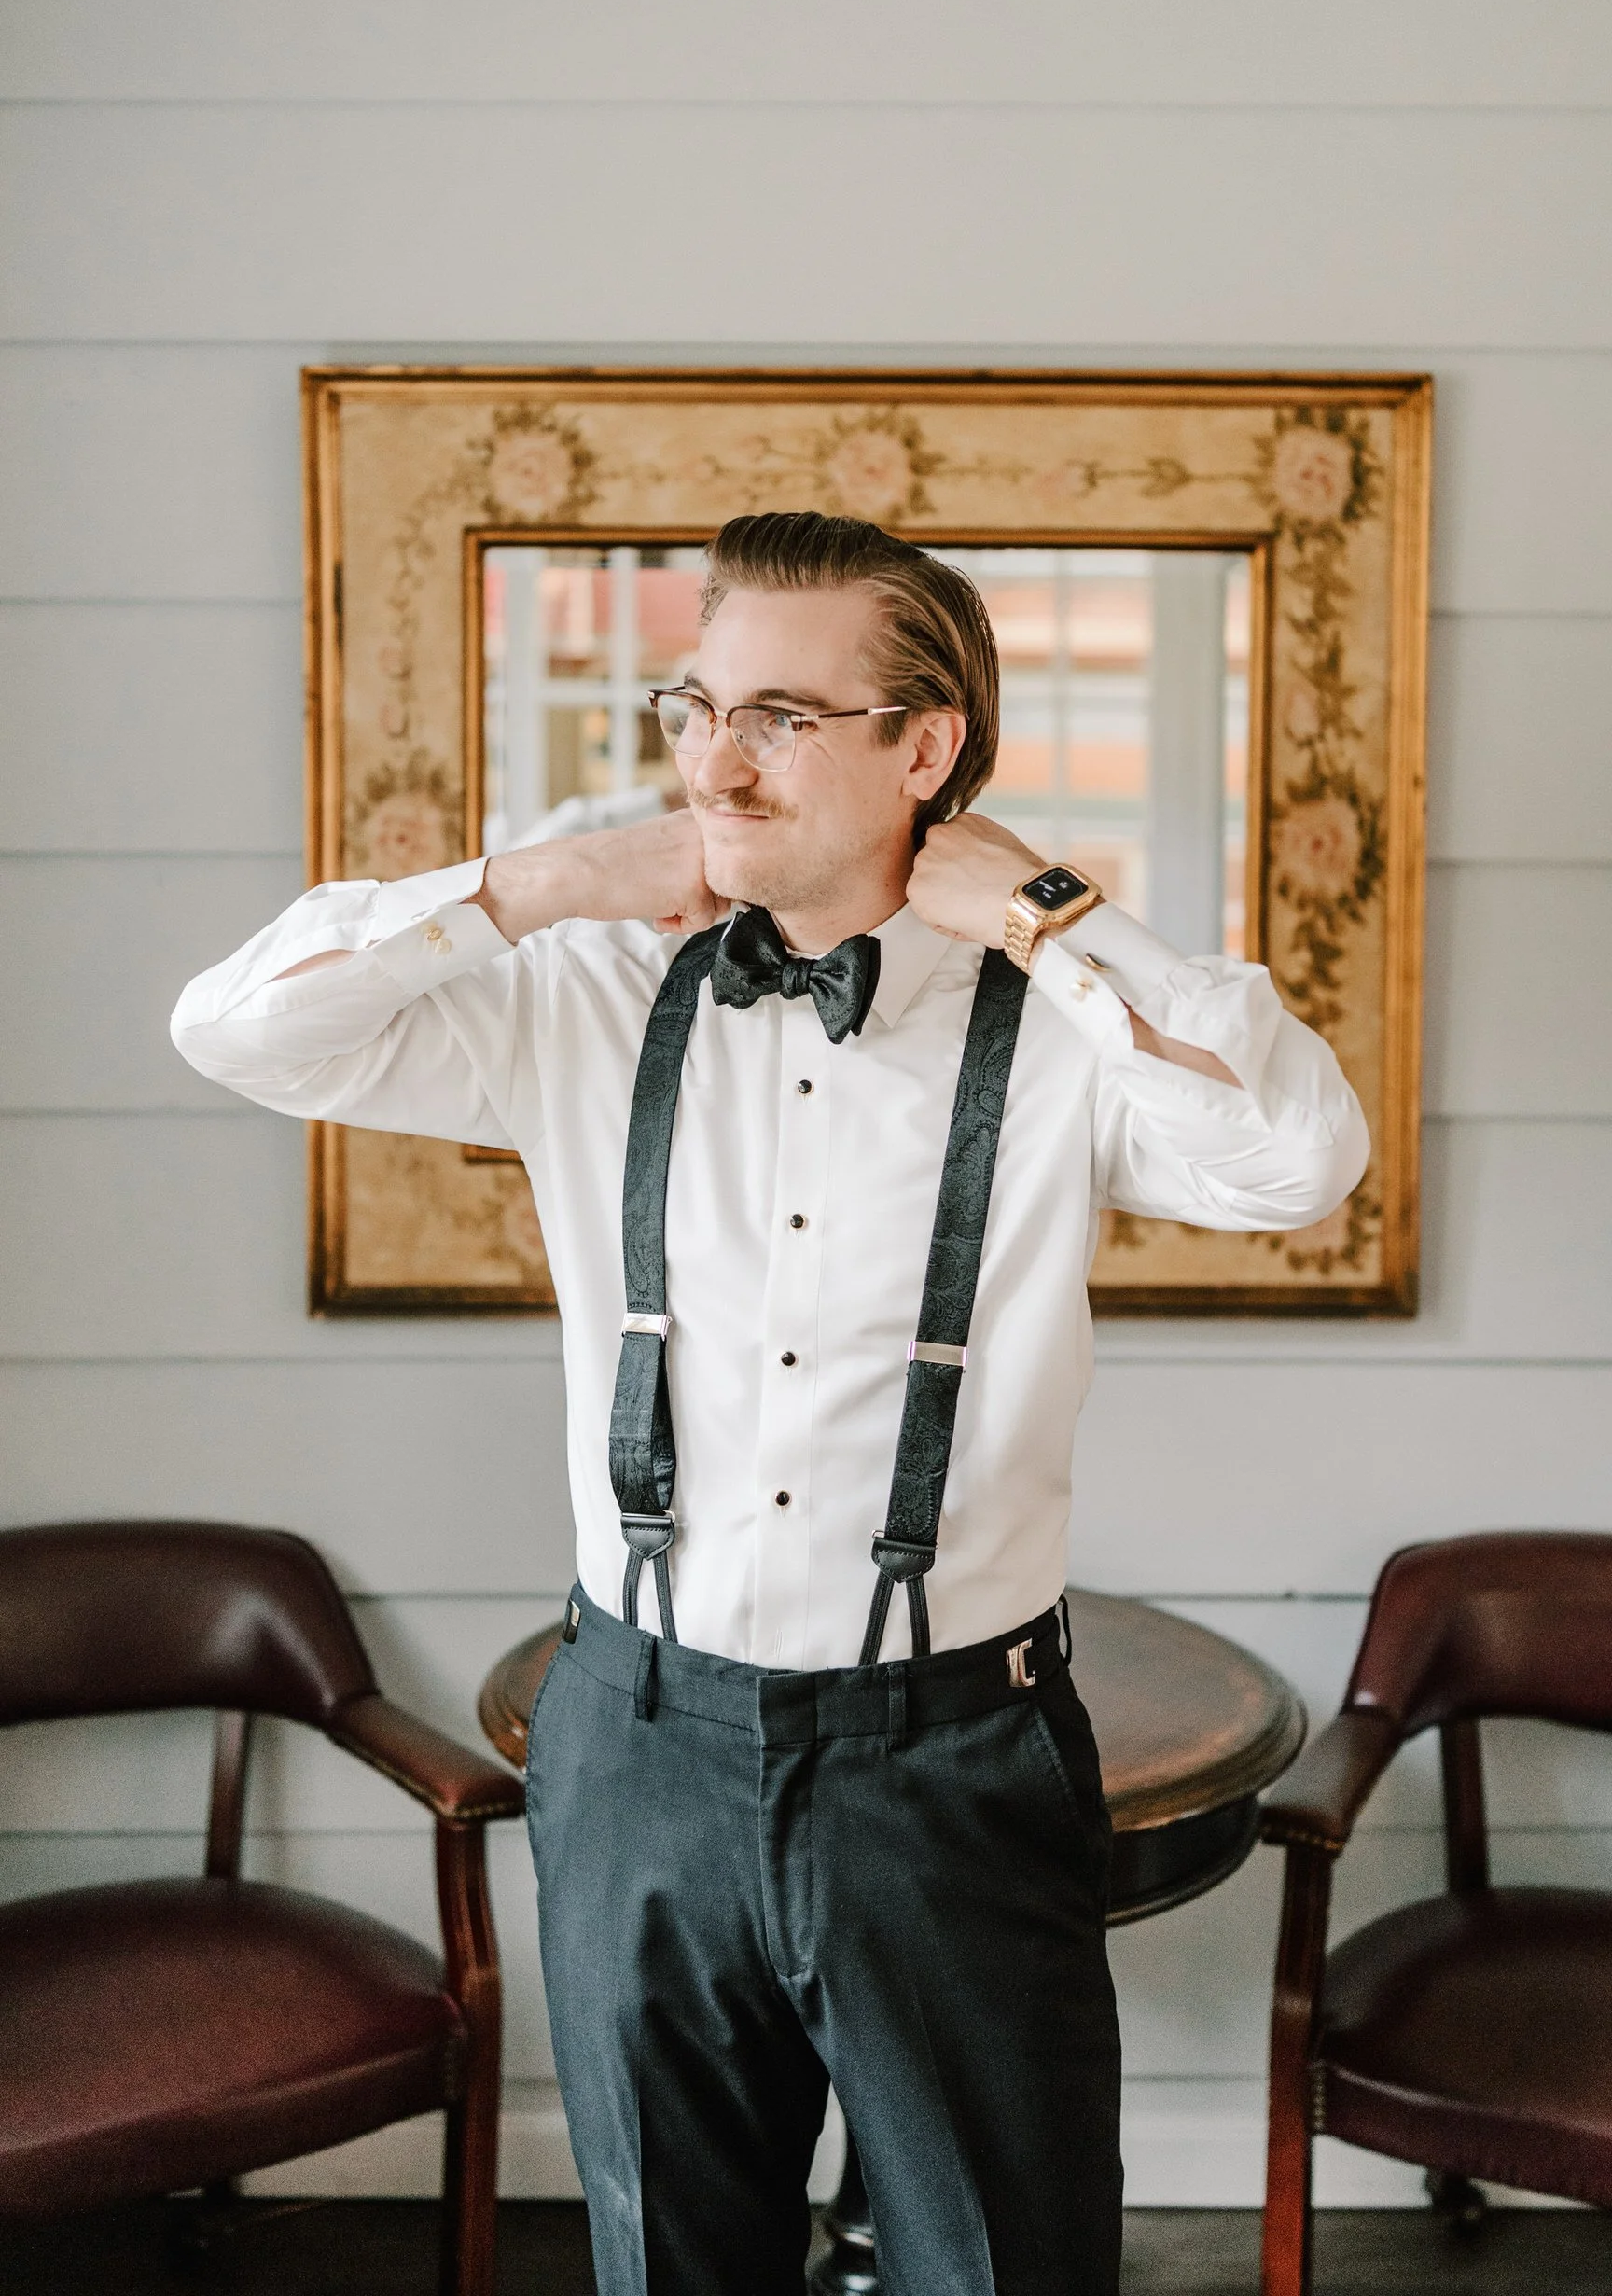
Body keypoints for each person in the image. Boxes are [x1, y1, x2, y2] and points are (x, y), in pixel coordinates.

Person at [173, 512, 1368, 2296]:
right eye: (694, 703)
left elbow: (1294, 1161)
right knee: (673, 2258)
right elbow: (238, 1032)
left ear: (926, 747)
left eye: (786, 717)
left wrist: (1050, 914)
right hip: (636, 1740)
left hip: (953, 1753)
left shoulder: (1056, 1025)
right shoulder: (580, 992)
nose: (717, 761)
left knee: (1001, 2257)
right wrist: (541, 883)